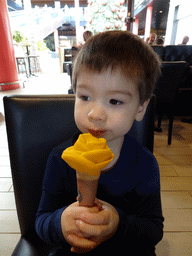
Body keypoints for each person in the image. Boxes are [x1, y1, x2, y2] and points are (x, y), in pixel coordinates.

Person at [35, 31, 164, 256]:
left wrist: (118, 223)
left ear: (140, 108)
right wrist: (60, 221)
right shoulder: (60, 158)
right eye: (85, 97)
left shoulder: (144, 163)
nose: (95, 114)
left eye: (115, 101)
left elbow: (153, 230)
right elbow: (41, 222)